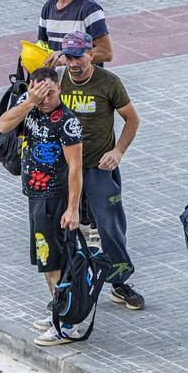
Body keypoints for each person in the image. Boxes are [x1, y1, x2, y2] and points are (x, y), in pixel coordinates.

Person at [56, 31, 144, 310]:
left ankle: (119, 284)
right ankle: (67, 290)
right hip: (65, 169)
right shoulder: (57, 81)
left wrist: (118, 152)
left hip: (98, 169)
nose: (73, 63)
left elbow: (132, 119)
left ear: (91, 54)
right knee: (65, 229)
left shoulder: (109, 83)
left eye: (79, 56)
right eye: (68, 56)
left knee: (110, 228)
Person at [0, 67, 84, 346]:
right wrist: (29, 102)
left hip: (53, 199)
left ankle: (67, 324)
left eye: (49, 92)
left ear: (59, 89)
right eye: (39, 92)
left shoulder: (66, 122)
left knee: (55, 261)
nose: (45, 98)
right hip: (35, 197)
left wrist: (72, 208)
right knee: (46, 260)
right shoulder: (31, 110)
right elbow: (3, 126)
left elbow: (75, 168)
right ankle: (59, 309)